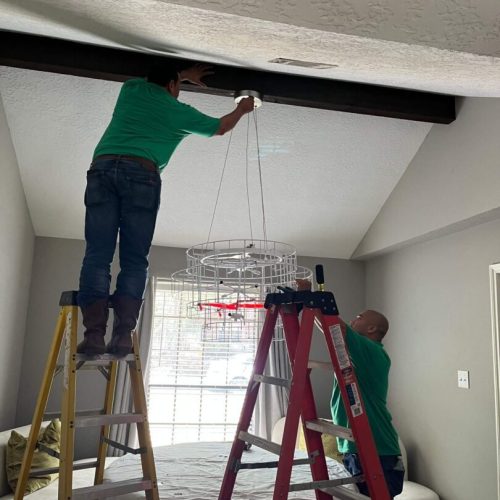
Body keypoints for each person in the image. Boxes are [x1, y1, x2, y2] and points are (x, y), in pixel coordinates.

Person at [77, 63, 255, 357]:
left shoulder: (130, 89)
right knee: (134, 259)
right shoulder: (180, 112)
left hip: (103, 170)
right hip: (141, 176)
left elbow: (153, 81)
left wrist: (182, 74)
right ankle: (122, 336)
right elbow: (220, 128)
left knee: (97, 255)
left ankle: (94, 335)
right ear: (173, 86)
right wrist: (243, 108)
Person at [296, 280, 404, 498]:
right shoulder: (356, 354)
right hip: (354, 447)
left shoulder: (373, 352)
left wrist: (314, 298)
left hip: (377, 449)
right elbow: (332, 331)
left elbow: (338, 329)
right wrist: (312, 303)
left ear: (372, 328)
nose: (355, 318)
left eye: (360, 317)